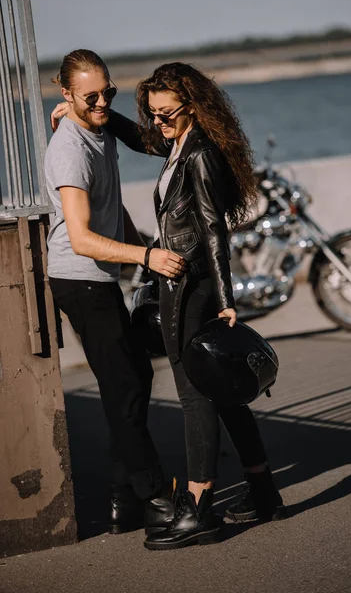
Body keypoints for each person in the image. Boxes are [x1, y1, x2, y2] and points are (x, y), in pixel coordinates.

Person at [51, 61, 286, 551]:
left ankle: (199, 509)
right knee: (221, 390)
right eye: (151, 113)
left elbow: (214, 228)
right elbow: (140, 139)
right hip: (181, 280)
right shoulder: (176, 139)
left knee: (195, 394)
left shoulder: (198, 153)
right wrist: (87, 114)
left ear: (193, 107)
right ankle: (264, 490)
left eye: (165, 114)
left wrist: (226, 299)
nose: (156, 124)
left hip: (191, 284)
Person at [45, 49, 186, 536]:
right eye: (91, 95)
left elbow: (140, 153)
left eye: (109, 92)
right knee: (124, 385)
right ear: (65, 94)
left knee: (135, 380)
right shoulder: (69, 150)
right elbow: (81, 237)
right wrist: (146, 258)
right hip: (78, 277)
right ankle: (158, 502)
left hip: (100, 276)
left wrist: (138, 246)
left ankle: (123, 501)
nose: (103, 101)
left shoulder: (98, 129)